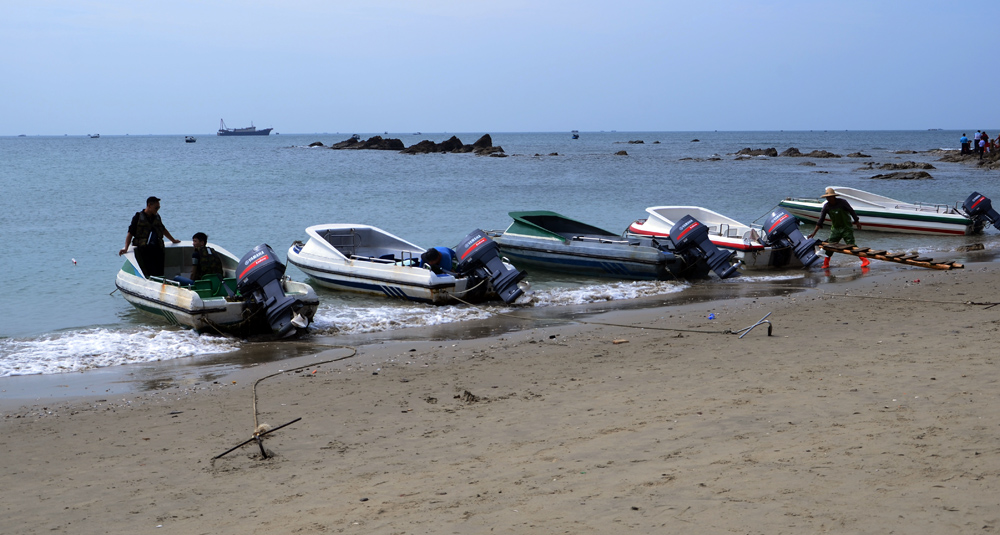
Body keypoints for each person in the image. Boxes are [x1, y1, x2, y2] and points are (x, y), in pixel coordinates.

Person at [807, 187, 868, 269]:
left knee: (851, 245)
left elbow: (851, 211)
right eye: (827, 197)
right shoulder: (826, 206)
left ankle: (864, 260)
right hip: (835, 229)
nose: (828, 199)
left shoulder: (842, 202)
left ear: (833, 196)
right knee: (830, 246)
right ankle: (826, 263)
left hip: (846, 227)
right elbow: (820, 220)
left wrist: (856, 221)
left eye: (829, 197)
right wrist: (814, 233)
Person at [119, 196, 180, 277]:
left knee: (159, 271)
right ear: (149, 206)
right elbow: (130, 233)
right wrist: (126, 248)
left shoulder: (157, 217)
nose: (158, 209)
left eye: (159, 207)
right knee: (149, 271)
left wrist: (173, 240)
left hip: (158, 248)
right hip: (144, 249)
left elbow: (163, 229)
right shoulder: (138, 217)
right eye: (156, 207)